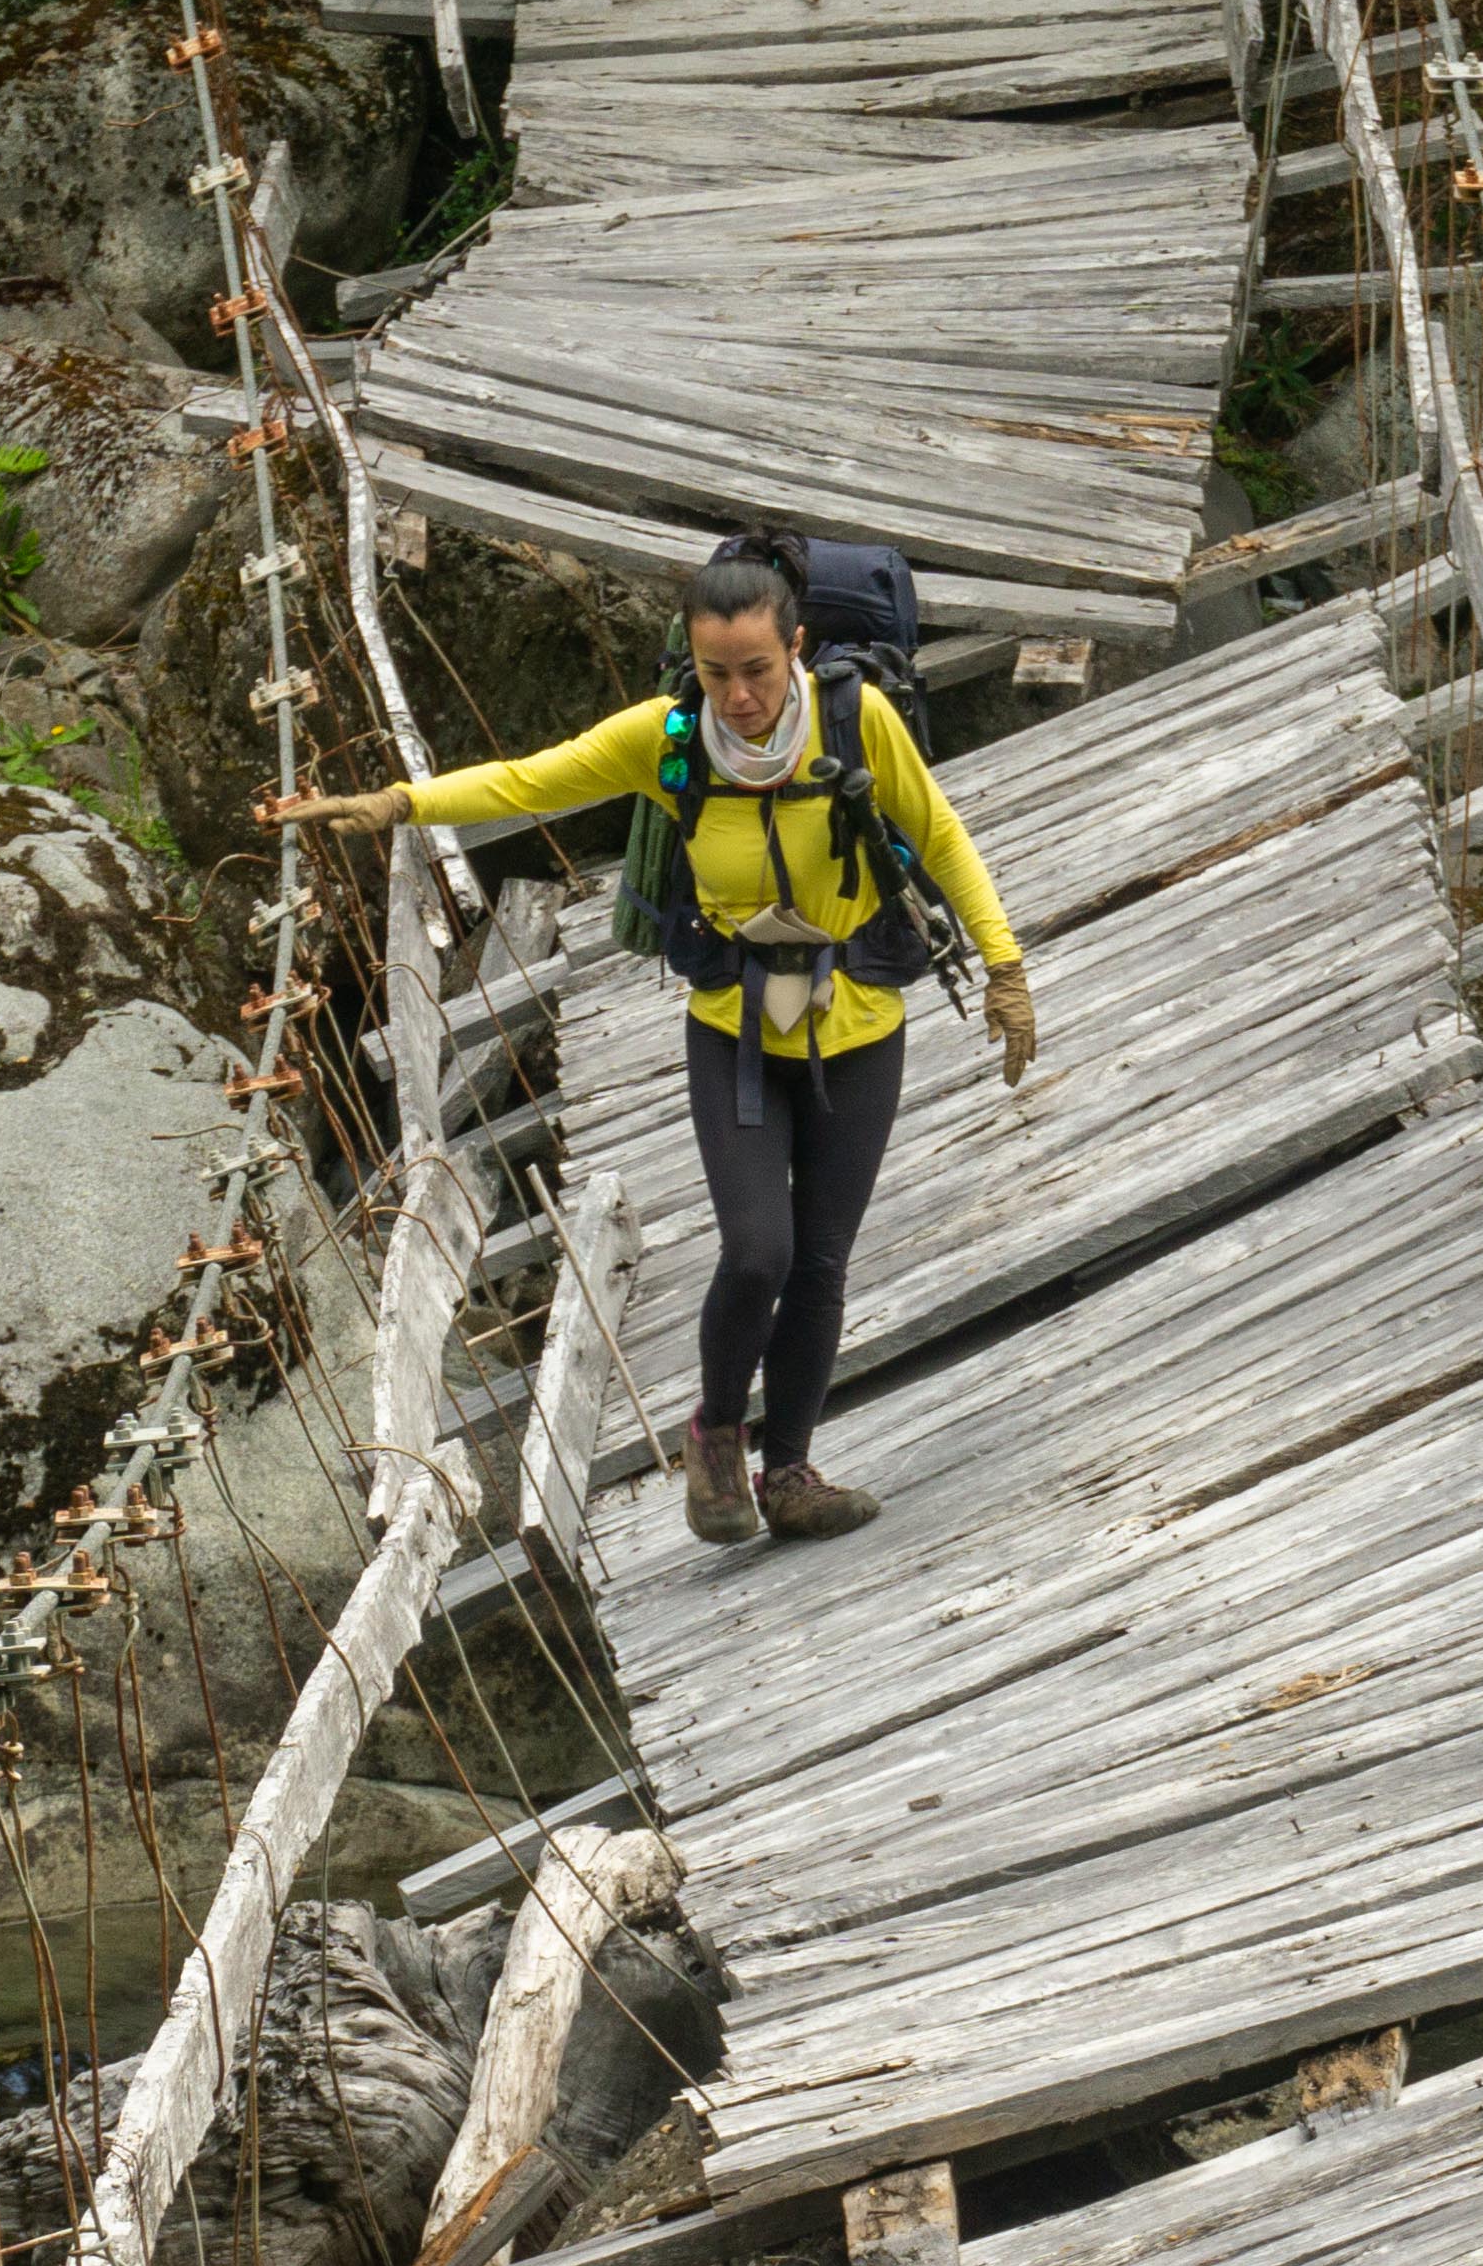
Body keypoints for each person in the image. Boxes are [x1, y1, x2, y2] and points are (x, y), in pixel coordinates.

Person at [283, 539, 1033, 1547]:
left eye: (758, 671)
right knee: (759, 1248)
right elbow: (527, 783)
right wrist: (404, 804)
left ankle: (792, 1471)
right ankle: (716, 1434)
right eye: (717, 673)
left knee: (819, 1262)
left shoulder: (859, 723)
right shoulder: (670, 739)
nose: (738, 695)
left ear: (797, 648)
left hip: (858, 1023)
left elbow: (938, 834)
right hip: (736, 1026)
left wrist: (1007, 967)